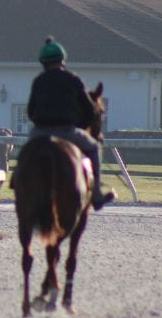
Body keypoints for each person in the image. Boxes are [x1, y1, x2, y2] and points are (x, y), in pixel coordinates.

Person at [26, 37, 115, 210]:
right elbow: (89, 110)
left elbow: (30, 111)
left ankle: (18, 183)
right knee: (94, 148)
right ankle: (96, 194)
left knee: (28, 152)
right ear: (62, 60)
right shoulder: (73, 79)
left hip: (40, 133)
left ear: (43, 62)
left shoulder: (39, 81)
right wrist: (79, 126)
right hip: (66, 131)